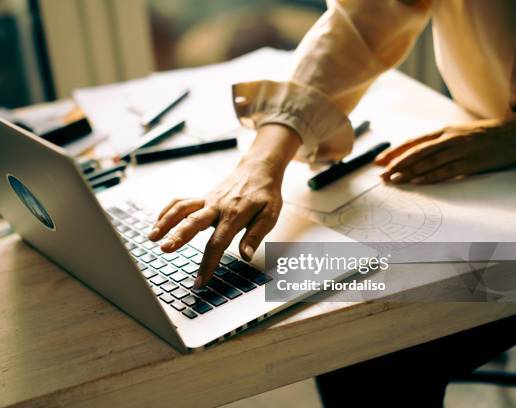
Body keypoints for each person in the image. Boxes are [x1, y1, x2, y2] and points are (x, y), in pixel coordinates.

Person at [148, 2, 515, 404]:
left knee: (383, 355)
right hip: (487, 155)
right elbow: (367, 17)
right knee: (356, 336)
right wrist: (263, 156)